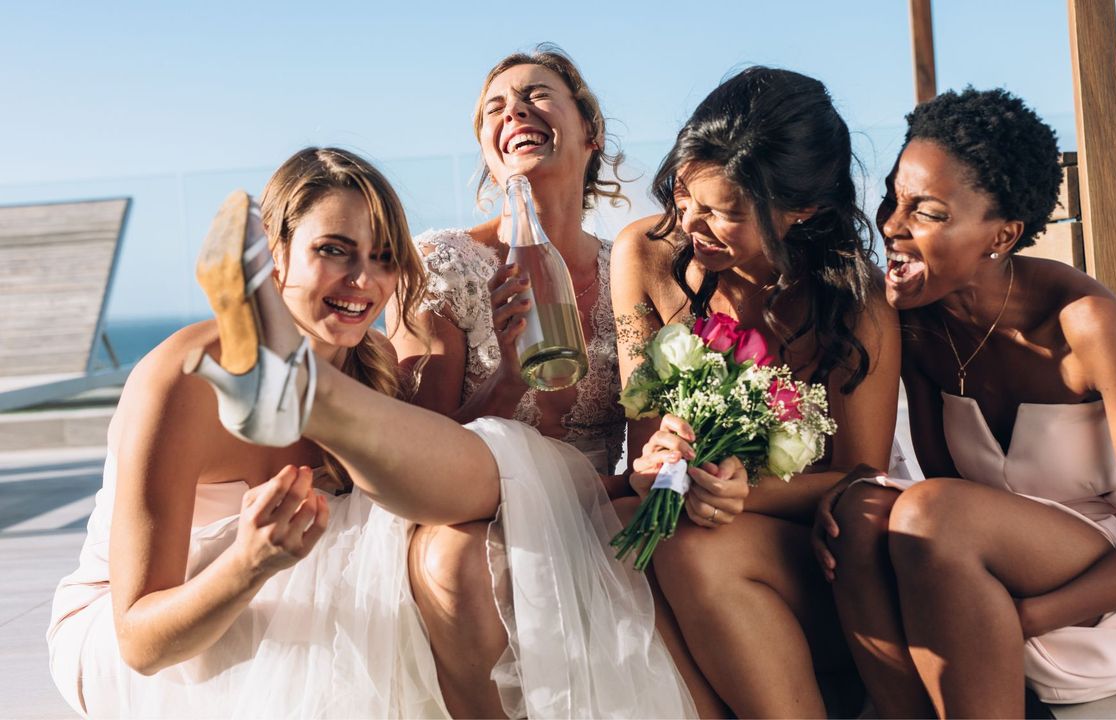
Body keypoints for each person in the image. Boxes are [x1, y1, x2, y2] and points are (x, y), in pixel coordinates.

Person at [48, 147, 693, 719]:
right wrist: (248, 563)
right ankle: (307, 394)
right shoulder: (181, 382)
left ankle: (307, 394)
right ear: (275, 253)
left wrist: (507, 384)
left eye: (384, 260)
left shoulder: (370, 365)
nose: (364, 283)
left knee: (461, 544)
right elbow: (140, 642)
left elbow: (429, 485)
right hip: (159, 630)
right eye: (334, 250)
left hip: (295, 569)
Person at [814, 87, 1116, 717]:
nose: (893, 227)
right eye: (893, 201)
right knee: (863, 508)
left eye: (926, 212)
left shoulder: (1084, 324)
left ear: (1001, 235)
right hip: (997, 570)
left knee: (927, 512)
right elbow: (952, 486)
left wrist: (1025, 618)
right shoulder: (918, 324)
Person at [612, 66, 905, 718]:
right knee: (612, 536)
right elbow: (642, 437)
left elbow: (860, 475)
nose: (691, 220)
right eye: (684, 193)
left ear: (802, 210)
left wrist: (746, 489)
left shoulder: (858, 306)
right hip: (684, 521)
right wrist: (658, 461)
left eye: (724, 211)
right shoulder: (644, 256)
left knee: (684, 547)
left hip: (814, 560)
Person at [385, 45, 634, 715]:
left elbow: (651, 439)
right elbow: (415, 455)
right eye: (496, 106)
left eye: (537, 94)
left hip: (598, 501)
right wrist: (505, 387)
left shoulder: (630, 272)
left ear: (591, 133)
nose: (515, 109)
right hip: (468, 510)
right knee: (459, 562)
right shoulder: (444, 264)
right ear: (490, 151)